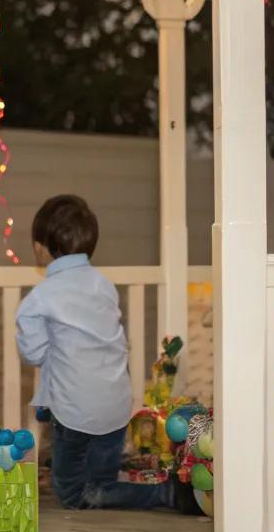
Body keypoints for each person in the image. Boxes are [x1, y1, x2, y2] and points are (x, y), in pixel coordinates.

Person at [15, 195, 188, 513]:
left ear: (40, 247)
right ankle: (110, 481)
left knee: (74, 495)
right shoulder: (104, 286)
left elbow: (35, 354)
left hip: (74, 414)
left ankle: (163, 494)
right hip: (117, 405)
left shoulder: (39, 298)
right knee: (102, 478)